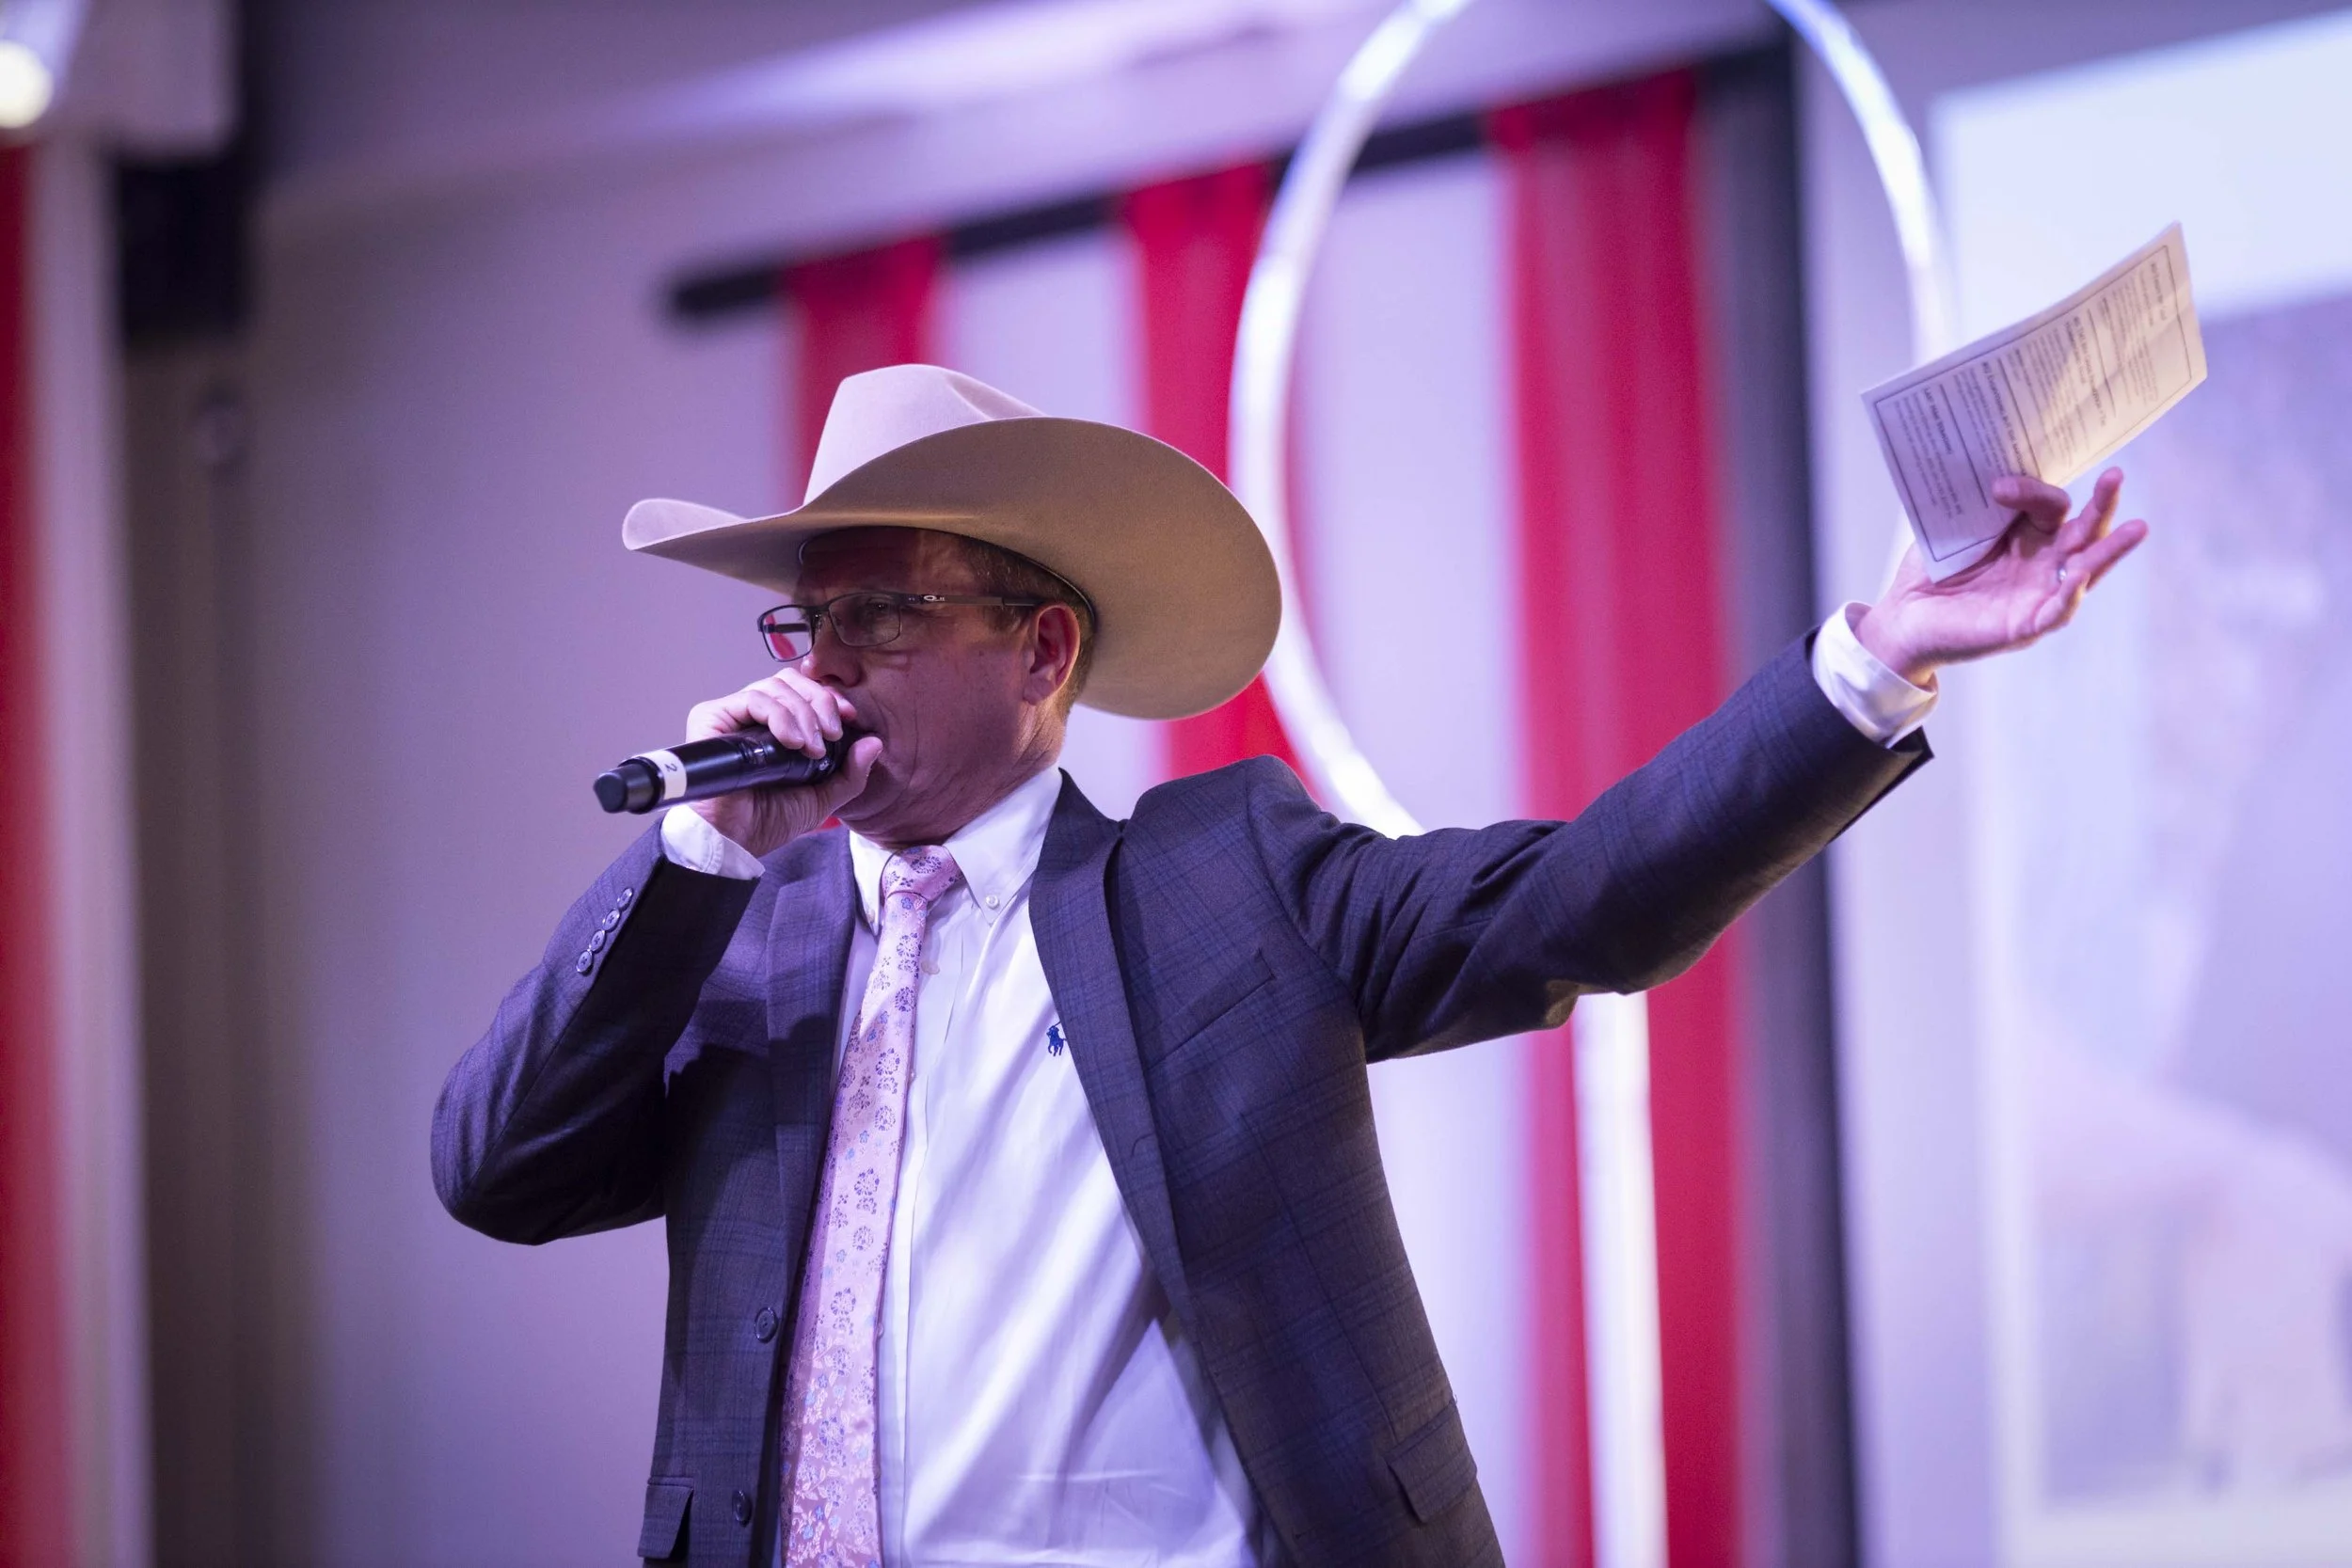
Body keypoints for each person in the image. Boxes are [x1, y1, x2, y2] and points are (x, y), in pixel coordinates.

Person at [432, 364, 2145, 1568]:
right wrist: (698, 855)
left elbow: (1581, 901)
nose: (825, 666)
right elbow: (496, 1169)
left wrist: (1874, 661)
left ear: (1043, 651)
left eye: (882, 613)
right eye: (807, 623)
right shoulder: (741, 932)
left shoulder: (1222, 882)